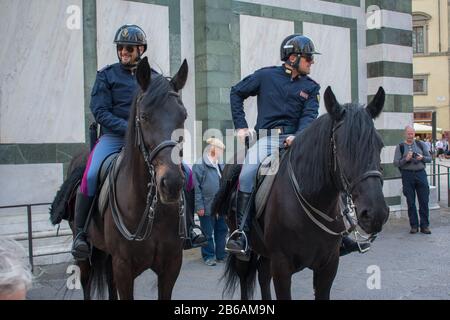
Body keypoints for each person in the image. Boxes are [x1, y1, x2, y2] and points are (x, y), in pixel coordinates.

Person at [225, 34, 369, 256]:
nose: (312, 62)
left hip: (299, 140)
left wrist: (299, 136)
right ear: (292, 57)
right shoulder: (265, 76)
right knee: (247, 174)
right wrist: (241, 126)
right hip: (267, 138)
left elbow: (309, 115)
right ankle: (241, 233)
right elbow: (236, 92)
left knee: (330, 171)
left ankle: (341, 234)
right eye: (308, 58)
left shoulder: (311, 87)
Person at [71, 24, 205, 260]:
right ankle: (81, 234)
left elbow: (165, 110)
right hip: (114, 137)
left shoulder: (154, 79)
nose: (123, 51)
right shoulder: (106, 75)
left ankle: (189, 228)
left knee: (187, 174)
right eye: (121, 47)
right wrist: (128, 129)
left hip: (150, 138)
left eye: (129, 48)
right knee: (91, 175)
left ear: (140, 49)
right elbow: (99, 111)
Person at [193, 138, 228, 266]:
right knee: (207, 232)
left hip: (220, 206)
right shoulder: (199, 164)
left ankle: (221, 255)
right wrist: (199, 206)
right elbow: (196, 188)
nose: (221, 152)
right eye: (220, 150)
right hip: (207, 205)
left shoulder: (220, 163)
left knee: (222, 230)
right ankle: (209, 256)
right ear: (213, 149)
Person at [393, 125, 432, 234]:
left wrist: (422, 158)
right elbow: (396, 163)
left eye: (412, 133)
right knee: (410, 202)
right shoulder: (400, 146)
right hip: (407, 175)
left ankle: (425, 226)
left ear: (415, 134)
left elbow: (429, 159)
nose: (411, 135)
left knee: (424, 201)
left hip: (421, 174)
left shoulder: (421, 144)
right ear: (405, 134)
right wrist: (406, 159)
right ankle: (414, 226)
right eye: (409, 133)